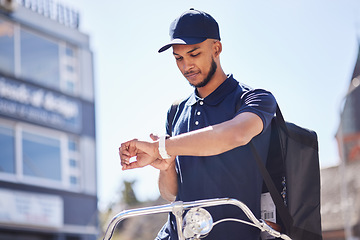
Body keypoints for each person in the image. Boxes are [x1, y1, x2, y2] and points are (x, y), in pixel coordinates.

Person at [119, 8, 277, 240]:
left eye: (194, 54)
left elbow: (235, 135)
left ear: (216, 48)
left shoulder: (254, 99)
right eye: (179, 58)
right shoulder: (176, 111)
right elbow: (170, 194)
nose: (186, 66)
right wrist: (166, 166)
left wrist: (162, 148)